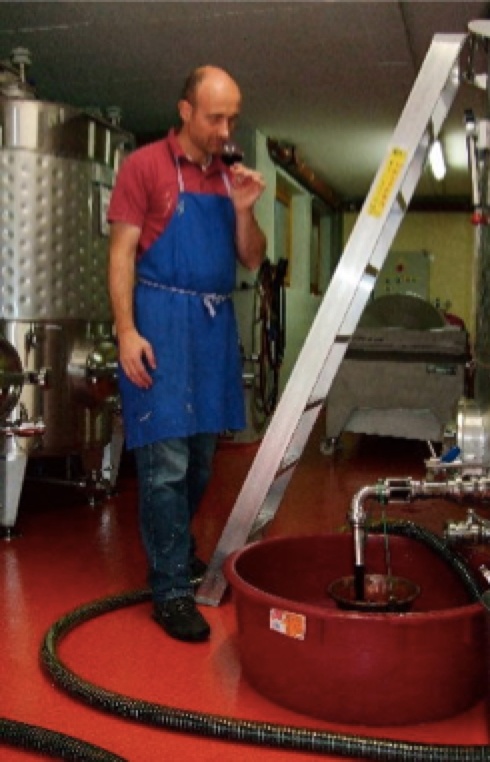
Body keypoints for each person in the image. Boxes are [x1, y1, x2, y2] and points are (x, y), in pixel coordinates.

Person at [107, 65, 267, 642]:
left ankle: (175, 548)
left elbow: (253, 258)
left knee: (200, 460)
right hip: (160, 322)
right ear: (185, 111)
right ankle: (171, 589)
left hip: (212, 327)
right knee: (166, 463)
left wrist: (245, 209)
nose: (226, 130)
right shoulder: (144, 166)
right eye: (215, 117)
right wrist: (126, 330)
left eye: (232, 119)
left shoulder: (229, 177)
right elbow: (121, 255)